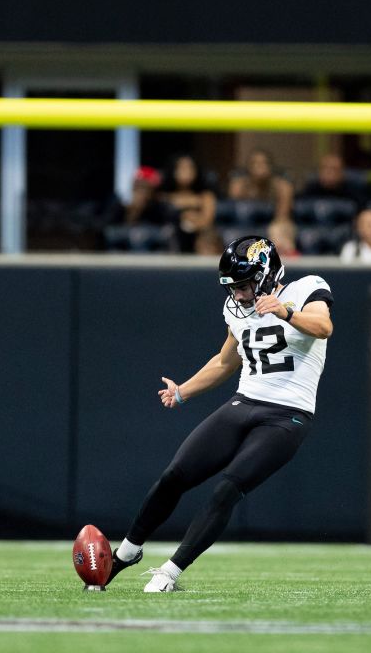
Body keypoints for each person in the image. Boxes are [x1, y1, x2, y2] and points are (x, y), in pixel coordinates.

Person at [100, 236, 333, 592]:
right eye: (234, 287)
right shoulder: (236, 310)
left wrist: (285, 311)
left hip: (288, 415)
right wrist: (182, 391)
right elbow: (226, 360)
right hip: (244, 402)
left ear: (267, 274)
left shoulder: (306, 289)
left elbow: (323, 327)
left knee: (227, 488)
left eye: (244, 285)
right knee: (175, 475)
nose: (239, 295)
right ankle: (127, 552)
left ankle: (170, 572)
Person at [162, 155, 218, 253]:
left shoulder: (206, 195)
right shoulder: (163, 195)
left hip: (197, 240)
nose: (187, 172)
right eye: (182, 168)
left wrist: (192, 218)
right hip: (172, 241)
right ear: (174, 171)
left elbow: (207, 221)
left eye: (190, 167)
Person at [227, 148, 293, 223]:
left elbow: (283, 216)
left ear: (271, 167)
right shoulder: (239, 185)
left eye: (264, 163)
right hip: (245, 223)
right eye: (255, 163)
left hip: (274, 223)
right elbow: (232, 210)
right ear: (248, 167)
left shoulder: (282, 186)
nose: (260, 167)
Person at [298, 153, 365, 208]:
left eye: (334, 169)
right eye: (325, 168)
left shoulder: (353, 192)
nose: (329, 173)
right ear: (319, 171)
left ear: (341, 173)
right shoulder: (310, 189)